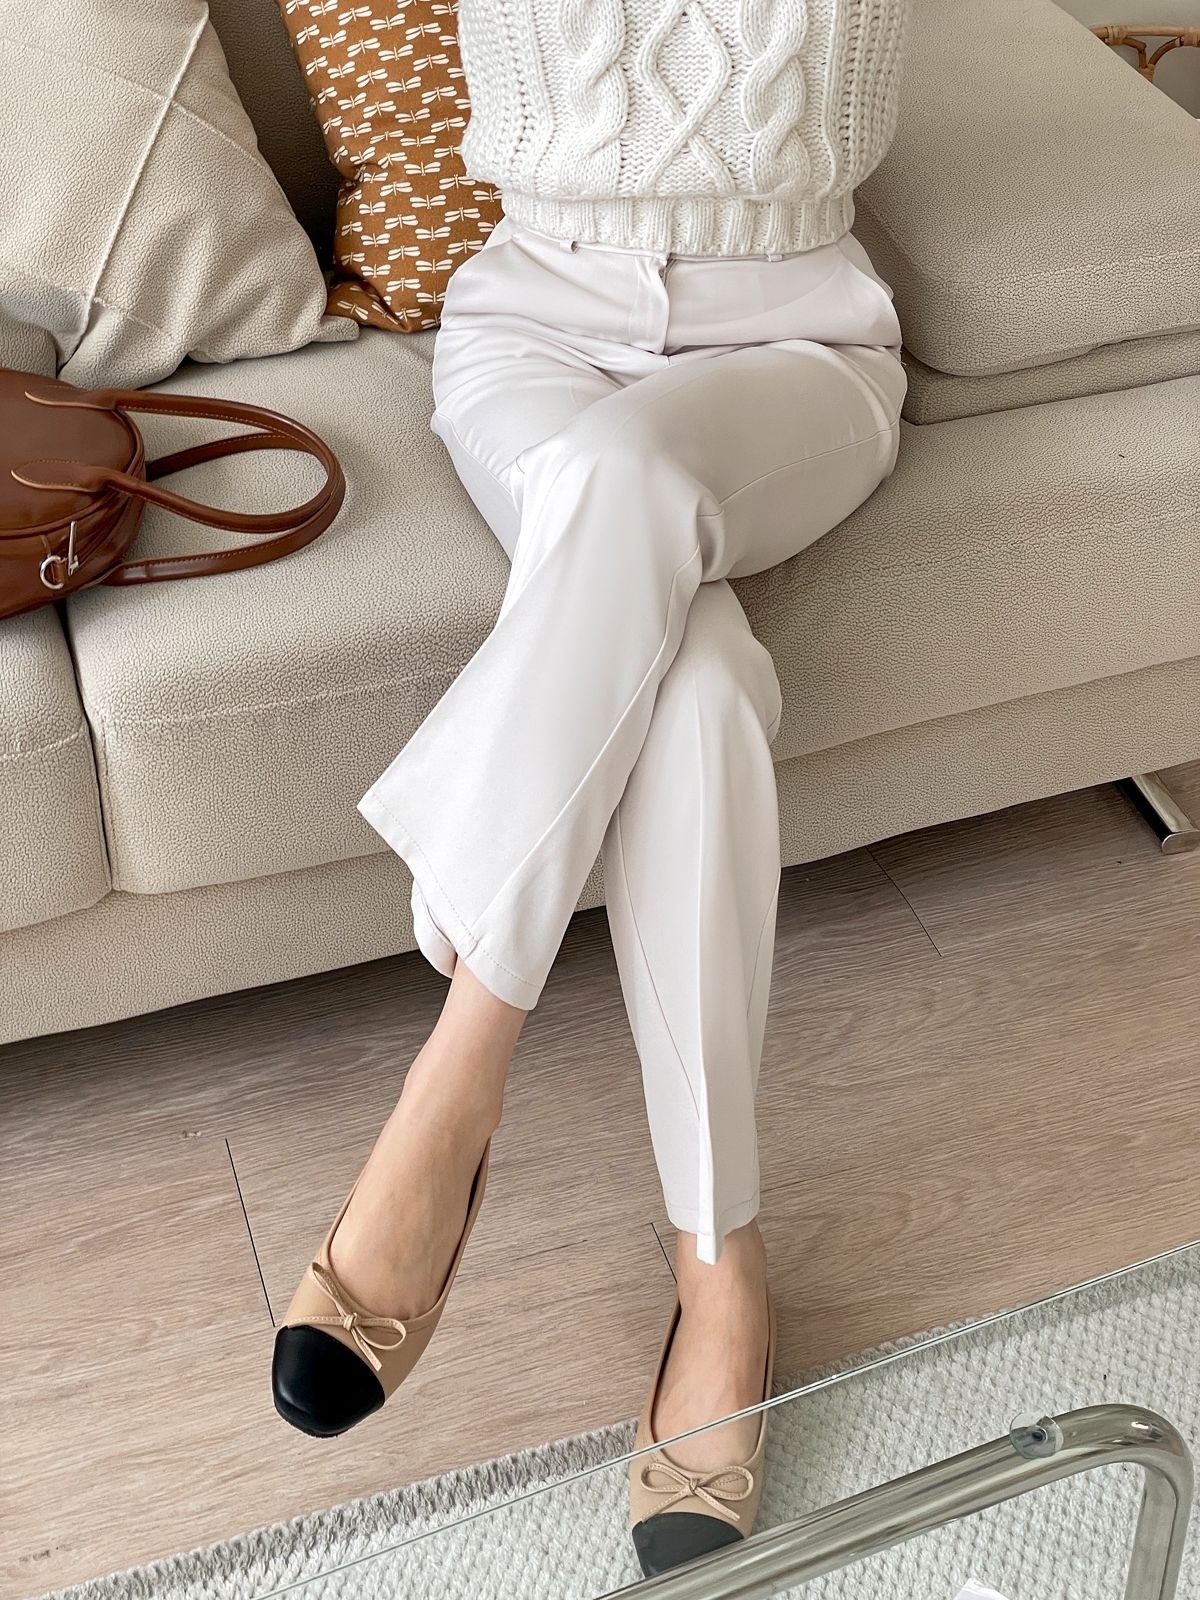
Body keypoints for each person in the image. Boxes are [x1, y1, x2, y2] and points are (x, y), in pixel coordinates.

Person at [272, 0, 912, 1577]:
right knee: (694, 681)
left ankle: (460, 1074)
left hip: (797, 347)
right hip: (534, 338)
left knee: (632, 478)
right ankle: (720, 1269)